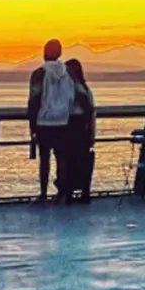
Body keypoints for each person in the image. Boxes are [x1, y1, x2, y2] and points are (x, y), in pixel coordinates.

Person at [27, 39, 76, 201]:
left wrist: (32, 125)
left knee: (45, 159)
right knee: (61, 157)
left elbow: (34, 99)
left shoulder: (39, 73)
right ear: (60, 53)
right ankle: (62, 191)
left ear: (44, 53)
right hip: (63, 121)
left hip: (44, 121)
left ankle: (43, 193)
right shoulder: (67, 74)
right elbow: (71, 97)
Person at [65, 58, 96, 204]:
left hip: (74, 127)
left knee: (71, 161)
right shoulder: (84, 88)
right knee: (79, 161)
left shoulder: (74, 89)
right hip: (81, 128)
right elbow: (91, 112)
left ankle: (69, 192)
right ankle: (82, 192)